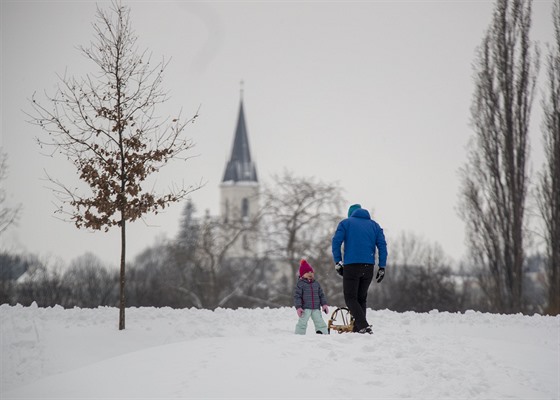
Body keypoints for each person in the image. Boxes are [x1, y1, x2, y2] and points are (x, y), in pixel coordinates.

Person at [331, 204, 388, 334]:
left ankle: (363, 325)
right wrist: (382, 267)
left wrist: (338, 262)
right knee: (361, 298)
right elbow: (382, 246)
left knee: (350, 297)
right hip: (369, 266)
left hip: (352, 265)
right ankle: (358, 328)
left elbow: (336, 242)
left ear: (350, 214)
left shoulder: (345, 223)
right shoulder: (375, 226)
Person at [293, 259, 329, 335]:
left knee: (319, 321)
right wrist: (298, 307)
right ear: (302, 274)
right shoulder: (301, 284)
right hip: (305, 308)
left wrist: (324, 305)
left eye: (311, 272)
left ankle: (322, 332)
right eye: (307, 272)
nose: (310, 273)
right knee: (302, 322)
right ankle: (299, 334)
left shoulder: (316, 284)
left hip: (316, 307)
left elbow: (321, 295)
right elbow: (297, 296)